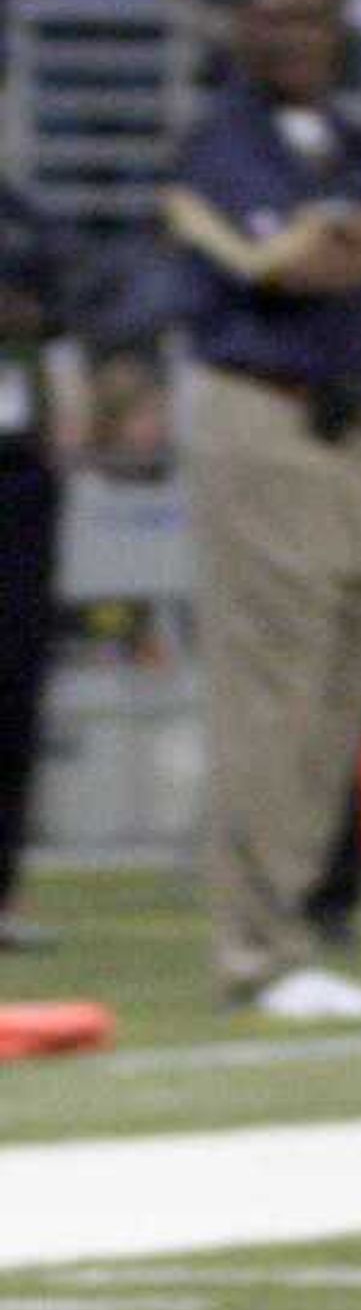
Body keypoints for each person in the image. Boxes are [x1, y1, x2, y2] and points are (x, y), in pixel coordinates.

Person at [163, 0, 361, 1016]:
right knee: (273, 692)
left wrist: (352, 231)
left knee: (347, 681)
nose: (294, 34)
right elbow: (283, 266)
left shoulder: (352, 134)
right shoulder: (217, 140)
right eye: (273, 15)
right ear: (242, 30)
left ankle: (288, 923)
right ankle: (256, 946)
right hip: (268, 420)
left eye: (311, 16)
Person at [0, 175, 65, 950]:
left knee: (13, 682)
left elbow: (73, 307)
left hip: (16, 469)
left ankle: (3, 890)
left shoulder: (21, 210)